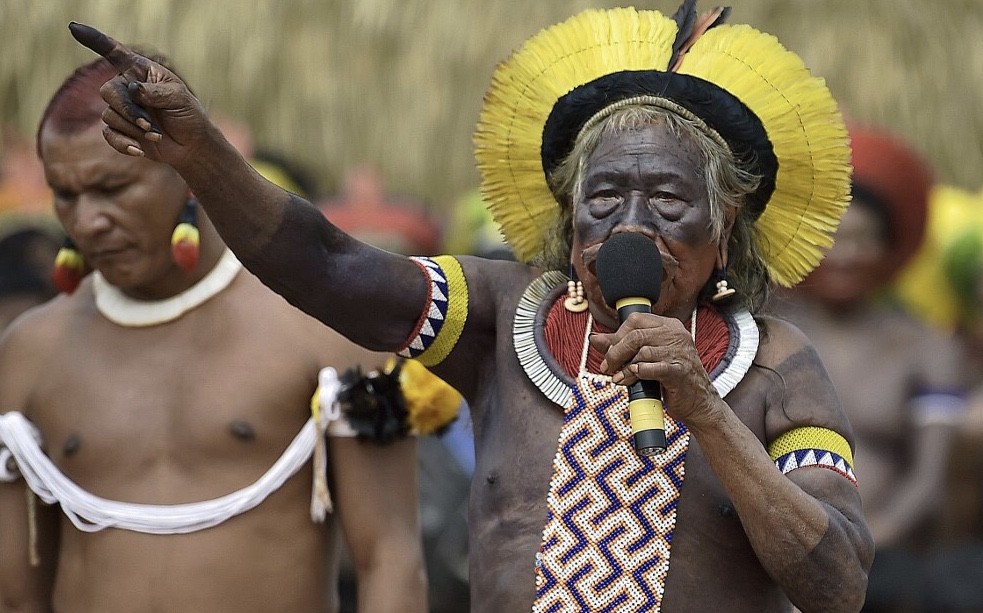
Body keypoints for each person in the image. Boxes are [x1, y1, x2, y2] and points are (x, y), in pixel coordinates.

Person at [70, 3, 874, 611]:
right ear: (568, 216)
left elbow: (836, 583)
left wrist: (701, 405)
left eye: (666, 198)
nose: (630, 224)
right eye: (604, 196)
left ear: (724, 220)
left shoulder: (774, 364)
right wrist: (201, 154)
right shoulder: (502, 316)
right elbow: (325, 263)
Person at [0, 55, 428, 613]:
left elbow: (390, 561)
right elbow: (14, 593)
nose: (86, 222)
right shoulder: (30, 351)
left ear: (187, 174)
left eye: (112, 188)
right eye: (66, 194)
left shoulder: (323, 330)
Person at [774, 125, 968, 612]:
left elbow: (927, 482)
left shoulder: (925, 347)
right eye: (834, 240)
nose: (847, 255)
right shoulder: (766, 333)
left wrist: (860, 545)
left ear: (889, 249)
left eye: (864, 240)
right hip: (771, 548)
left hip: (886, 561)